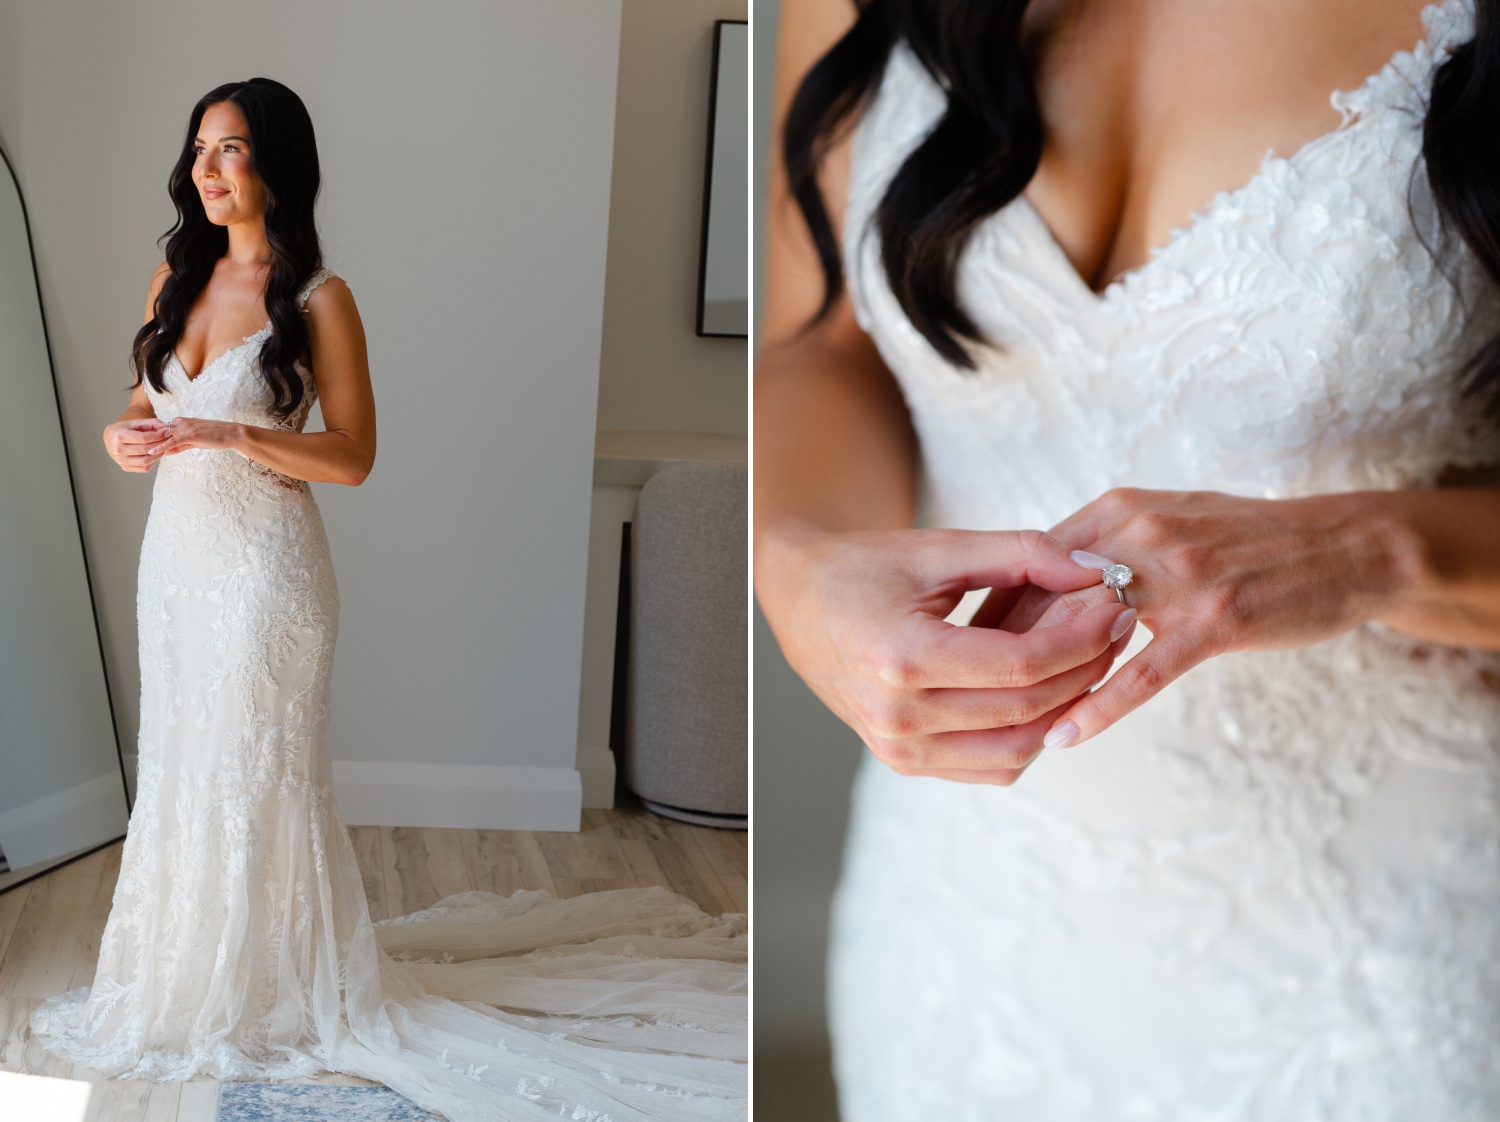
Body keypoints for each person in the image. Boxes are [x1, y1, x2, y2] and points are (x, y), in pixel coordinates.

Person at [757, 0, 1500, 1116]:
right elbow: (823, 343)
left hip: (1383, 951)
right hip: (966, 927)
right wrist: (799, 564)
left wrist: (1372, 552)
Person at [32, 78, 746, 1122]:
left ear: (278, 162)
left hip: (267, 577)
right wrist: (120, 438)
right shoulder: (170, 280)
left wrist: (233, 434)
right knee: (188, 762)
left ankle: (267, 987)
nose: (208, 170)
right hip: (176, 567)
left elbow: (355, 456)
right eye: (198, 150)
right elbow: (137, 408)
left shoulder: (320, 298)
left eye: (231, 149)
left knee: (252, 773)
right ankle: (188, 979)